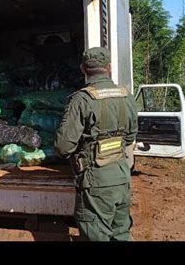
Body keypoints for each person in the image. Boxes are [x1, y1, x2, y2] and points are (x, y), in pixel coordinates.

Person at [54, 47, 138, 241]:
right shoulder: (127, 96)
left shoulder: (81, 99)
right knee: (121, 234)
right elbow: (130, 136)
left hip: (95, 182)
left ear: (83, 68)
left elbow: (63, 146)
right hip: (121, 177)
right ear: (109, 67)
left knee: (96, 235)